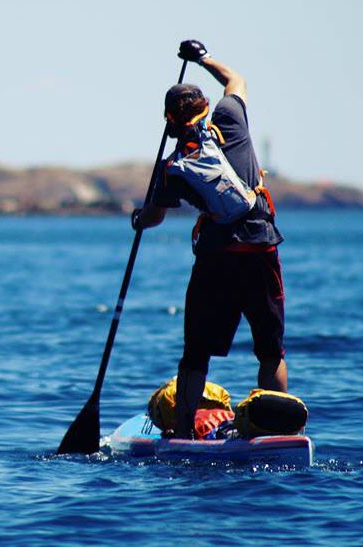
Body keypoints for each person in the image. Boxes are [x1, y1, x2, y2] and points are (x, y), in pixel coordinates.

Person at [132, 40, 288, 439]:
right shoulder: (230, 117)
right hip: (259, 247)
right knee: (270, 351)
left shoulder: (171, 167)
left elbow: (153, 218)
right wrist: (201, 59)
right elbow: (235, 79)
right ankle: (276, 432)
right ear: (205, 106)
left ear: (170, 123)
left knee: (196, 353)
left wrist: (137, 219)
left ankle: (183, 433)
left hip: (216, 258)